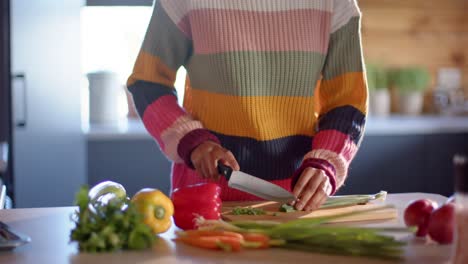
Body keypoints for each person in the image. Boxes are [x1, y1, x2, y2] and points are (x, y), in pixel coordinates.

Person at [127, 0, 367, 211]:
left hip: (295, 204)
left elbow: (346, 103)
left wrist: (327, 161)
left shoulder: (336, 4)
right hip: (204, 203)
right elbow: (148, 83)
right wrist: (193, 141)